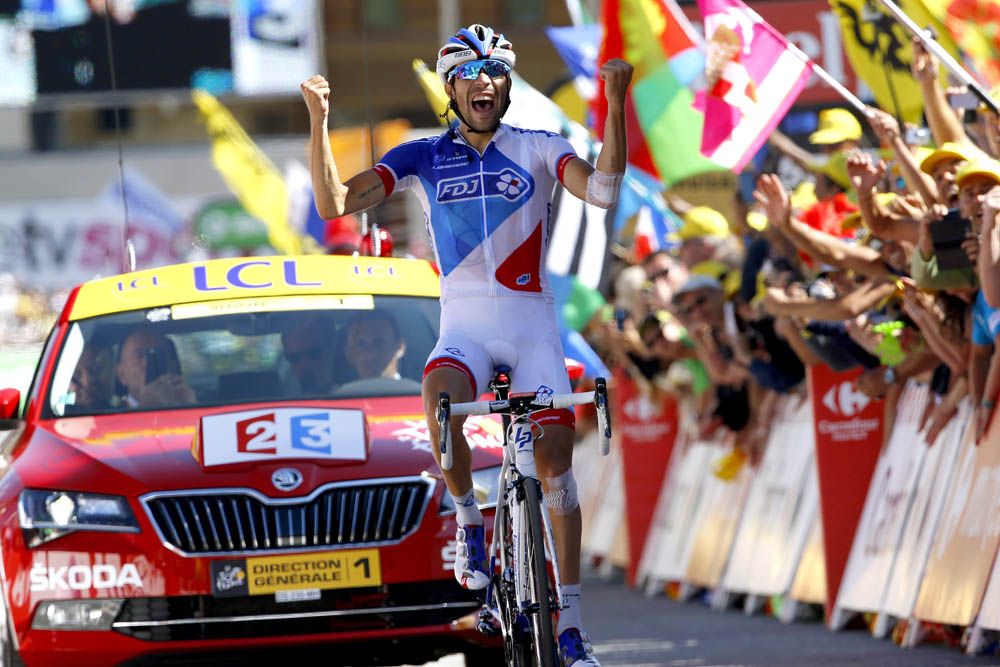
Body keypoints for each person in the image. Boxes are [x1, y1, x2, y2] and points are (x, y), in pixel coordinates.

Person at [301, 23, 630, 665]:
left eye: (497, 75)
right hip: (465, 331)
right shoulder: (421, 155)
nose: (487, 84)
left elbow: (605, 190)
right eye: (473, 76)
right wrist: (319, 120)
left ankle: (570, 626)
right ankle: (469, 522)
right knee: (441, 394)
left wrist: (614, 103)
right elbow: (335, 200)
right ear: (452, 88)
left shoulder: (540, 146)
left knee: (558, 469)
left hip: (532, 328)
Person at [115, 328, 195, 408]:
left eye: (158, 355)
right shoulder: (111, 414)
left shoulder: (197, 400)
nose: (148, 362)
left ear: (174, 366)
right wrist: (145, 407)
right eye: (139, 355)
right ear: (122, 374)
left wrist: (190, 406)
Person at [281, 315, 339, 395]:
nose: (305, 364)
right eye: (294, 358)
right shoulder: (278, 402)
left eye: (313, 353)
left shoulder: (356, 392)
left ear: (331, 349)